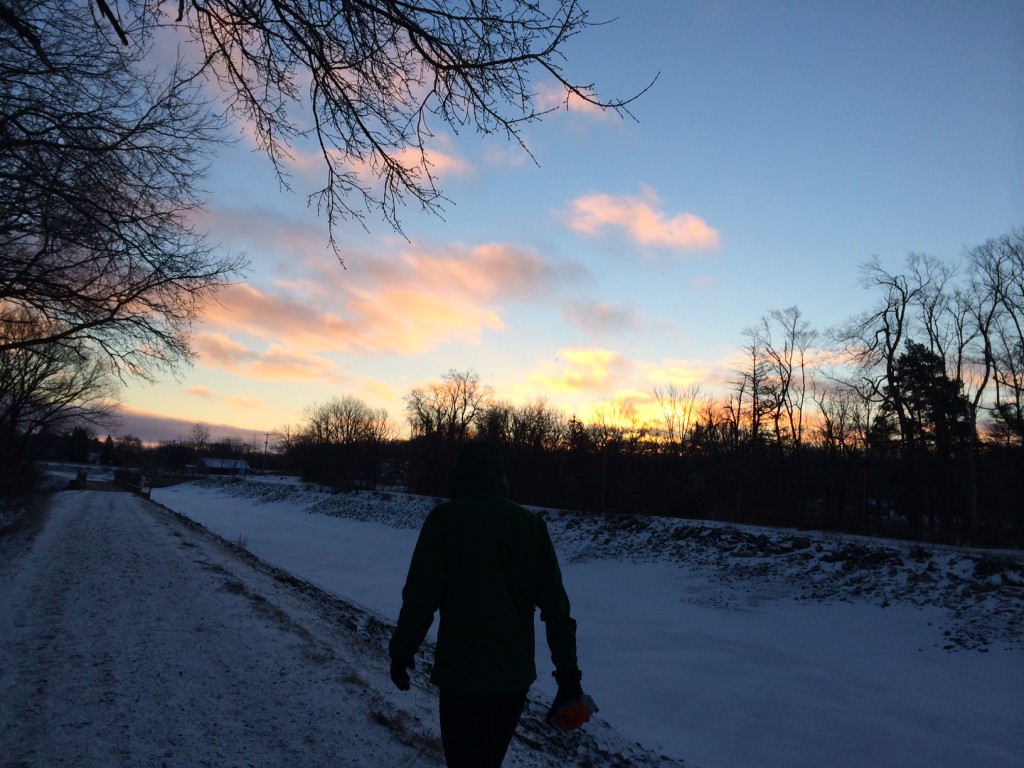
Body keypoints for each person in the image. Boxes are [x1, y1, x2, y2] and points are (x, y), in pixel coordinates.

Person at [389, 440, 583, 768]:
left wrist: (402, 651)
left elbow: (420, 599)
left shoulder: (445, 520)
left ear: (460, 475)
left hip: (461, 676)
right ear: (501, 476)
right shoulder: (530, 525)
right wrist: (569, 677)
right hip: (513, 678)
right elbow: (556, 609)